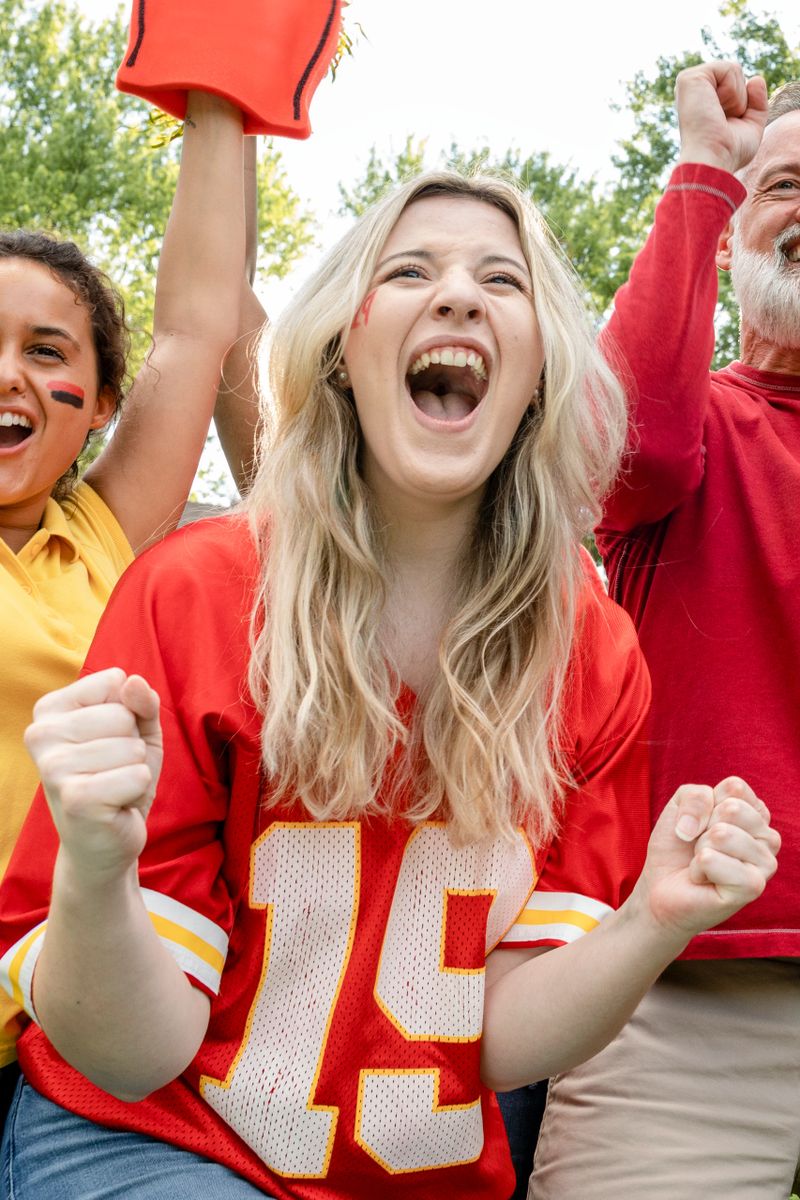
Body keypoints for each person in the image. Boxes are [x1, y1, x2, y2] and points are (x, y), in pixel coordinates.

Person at [0, 169, 779, 1200]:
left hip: (408, 1171)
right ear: (339, 353)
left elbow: (500, 1035)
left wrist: (653, 919)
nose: (455, 295)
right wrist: (97, 865)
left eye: (501, 280)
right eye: (407, 270)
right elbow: (133, 1053)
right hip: (153, 1138)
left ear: (541, 368)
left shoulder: (593, 649)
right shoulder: (194, 590)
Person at [528, 63, 800, 1200]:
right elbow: (616, 447)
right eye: (783, 184)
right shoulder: (698, 432)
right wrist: (700, 169)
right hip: (682, 1000)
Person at [0, 85, 255, 1116]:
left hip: (62, 1047)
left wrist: (219, 93)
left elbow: (198, 325)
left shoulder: (100, 539)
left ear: (102, 404)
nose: (6, 375)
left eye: (46, 352)